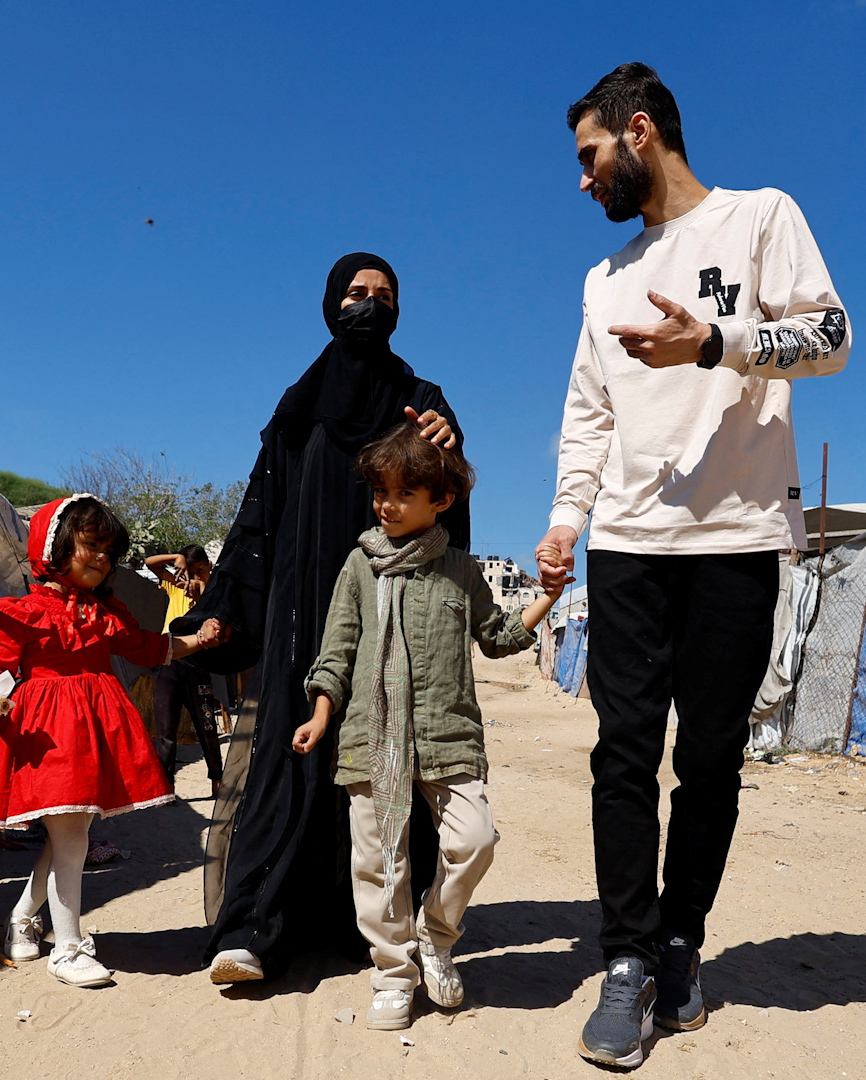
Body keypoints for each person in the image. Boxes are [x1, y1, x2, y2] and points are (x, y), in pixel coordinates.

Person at [536, 64, 851, 1068]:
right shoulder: (605, 280)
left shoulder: (761, 218)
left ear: (639, 133)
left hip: (737, 538)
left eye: (590, 156)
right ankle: (626, 960)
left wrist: (715, 341)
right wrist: (565, 521)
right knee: (623, 753)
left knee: (710, 759)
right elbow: (588, 413)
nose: (583, 179)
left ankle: (681, 944)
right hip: (628, 543)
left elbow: (832, 337)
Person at [181, 252, 464, 986]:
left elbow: (448, 510)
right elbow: (258, 518)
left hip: (390, 615)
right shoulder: (298, 407)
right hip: (303, 614)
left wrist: (450, 449)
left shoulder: (422, 404)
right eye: (355, 293)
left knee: (383, 765)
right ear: (331, 304)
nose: (369, 304)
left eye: (383, 295)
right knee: (288, 756)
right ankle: (251, 928)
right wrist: (224, 609)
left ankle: (377, 927)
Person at [292, 424, 559, 1031]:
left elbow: (497, 637)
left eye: (403, 493)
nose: (386, 505)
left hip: (448, 734)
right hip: (370, 737)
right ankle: (393, 975)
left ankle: (435, 936)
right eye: (380, 492)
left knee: (475, 840)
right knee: (380, 862)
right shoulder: (359, 566)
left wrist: (545, 596)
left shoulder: (461, 570)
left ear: (441, 500)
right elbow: (337, 651)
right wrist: (321, 713)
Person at [0, 495, 225, 988]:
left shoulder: (106, 612)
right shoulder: (24, 611)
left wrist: (200, 640)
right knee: (71, 837)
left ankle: (22, 917)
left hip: (94, 729)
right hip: (47, 734)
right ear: (54, 546)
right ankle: (67, 948)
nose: (102, 558)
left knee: (69, 834)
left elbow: (149, 647)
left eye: (108, 551)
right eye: (91, 545)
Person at [143, 545, 226, 793]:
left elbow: (214, 615)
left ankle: (217, 778)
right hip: (169, 660)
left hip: (198, 663)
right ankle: (167, 786)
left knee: (206, 724)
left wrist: (201, 592)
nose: (196, 577)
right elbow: (150, 563)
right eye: (191, 573)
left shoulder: (215, 590)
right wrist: (175, 558)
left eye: (200, 571)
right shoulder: (176, 585)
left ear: (209, 566)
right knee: (166, 728)